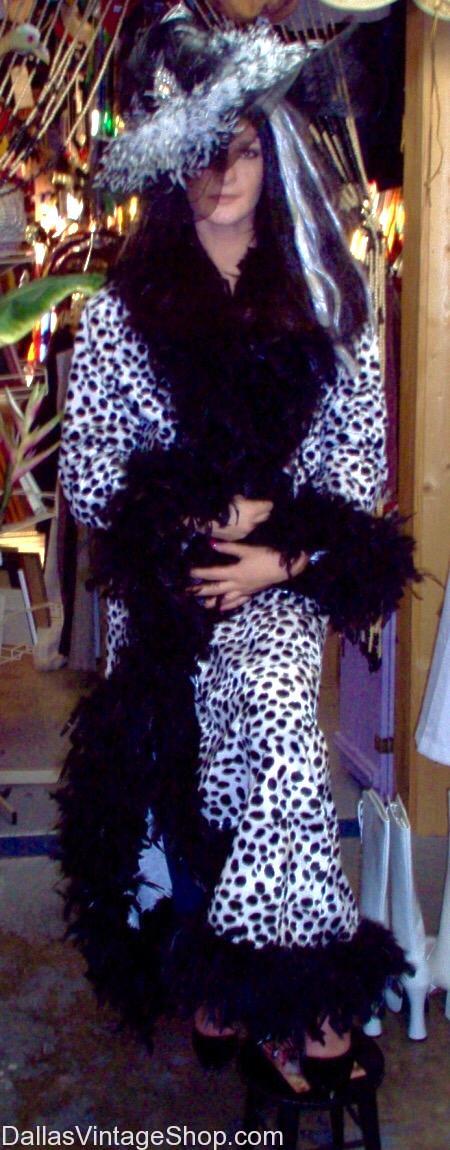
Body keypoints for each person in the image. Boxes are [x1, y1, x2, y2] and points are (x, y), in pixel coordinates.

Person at [58, 10, 415, 1085]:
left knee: (273, 727)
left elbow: (355, 474)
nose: (223, 175)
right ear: (174, 163)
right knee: (192, 768)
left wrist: (278, 556)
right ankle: (229, 986)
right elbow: (92, 473)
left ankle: (289, 995)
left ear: (276, 156)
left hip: (280, 588)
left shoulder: (328, 301)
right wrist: (203, 519)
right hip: (171, 593)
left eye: (246, 149)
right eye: (205, 152)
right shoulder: (123, 313)